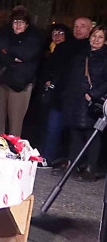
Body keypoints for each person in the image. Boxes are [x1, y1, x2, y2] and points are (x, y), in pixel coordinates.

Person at [58, 25, 107, 179]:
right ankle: (73, 164)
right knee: (75, 133)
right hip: (75, 100)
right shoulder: (81, 54)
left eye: (100, 37)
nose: (96, 39)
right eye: (94, 36)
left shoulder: (105, 58)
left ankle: (90, 168)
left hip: (91, 102)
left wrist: (93, 94)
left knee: (92, 134)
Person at [42, 16, 93, 163]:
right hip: (59, 95)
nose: (78, 29)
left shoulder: (92, 49)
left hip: (80, 97)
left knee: (76, 133)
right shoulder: (63, 47)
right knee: (53, 128)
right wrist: (47, 80)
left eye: (82, 26)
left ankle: (74, 162)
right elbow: (49, 67)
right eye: (76, 26)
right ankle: (48, 158)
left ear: (90, 29)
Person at [0, 6, 43, 137]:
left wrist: (7, 51)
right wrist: (13, 58)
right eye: (15, 21)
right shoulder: (4, 34)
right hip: (1, 80)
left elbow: (27, 54)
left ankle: (13, 147)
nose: (18, 25)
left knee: (15, 123)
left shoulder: (34, 37)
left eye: (21, 22)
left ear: (27, 24)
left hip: (20, 84)